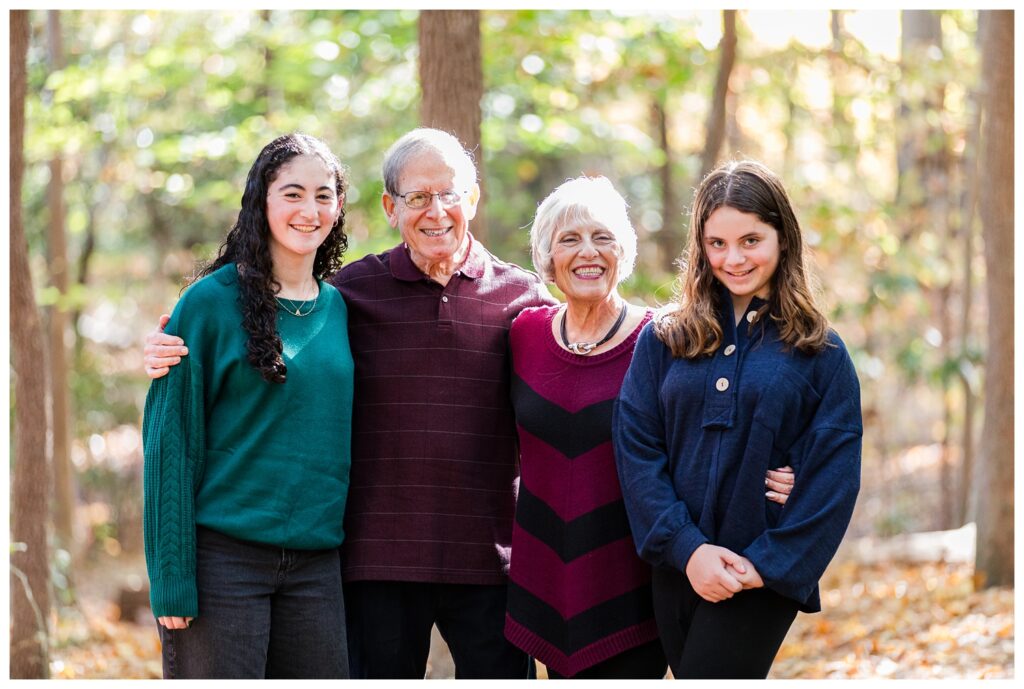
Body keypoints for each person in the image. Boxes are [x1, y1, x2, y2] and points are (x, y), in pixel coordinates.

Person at [144, 128, 554, 679]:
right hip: (318, 562)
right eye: (416, 197)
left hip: (419, 562)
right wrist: (166, 346)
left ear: (473, 198)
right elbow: (181, 427)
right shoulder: (327, 296)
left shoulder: (514, 301)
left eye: (450, 194)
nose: (436, 211)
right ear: (390, 207)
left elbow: (580, 356)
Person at [504, 176, 794, 679]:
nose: (587, 252)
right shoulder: (523, 335)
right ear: (547, 257)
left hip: (639, 582)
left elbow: (740, 421)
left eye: (603, 237)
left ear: (625, 251)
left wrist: (796, 472)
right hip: (544, 580)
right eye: (569, 239)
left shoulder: (667, 339)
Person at [612, 160, 862, 679]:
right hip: (676, 563)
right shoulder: (665, 339)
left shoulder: (820, 352)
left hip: (759, 570)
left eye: (751, 240)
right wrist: (688, 550)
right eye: (717, 243)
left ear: (782, 238)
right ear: (700, 247)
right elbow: (637, 448)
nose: (734, 258)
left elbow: (834, 475)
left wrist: (767, 565)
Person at [142, 133, 353, 678]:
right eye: (293, 193)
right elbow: (170, 443)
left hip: (316, 566)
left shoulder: (343, 307)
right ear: (261, 200)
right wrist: (171, 578)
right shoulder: (209, 303)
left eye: (324, 195)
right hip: (224, 562)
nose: (310, 210)